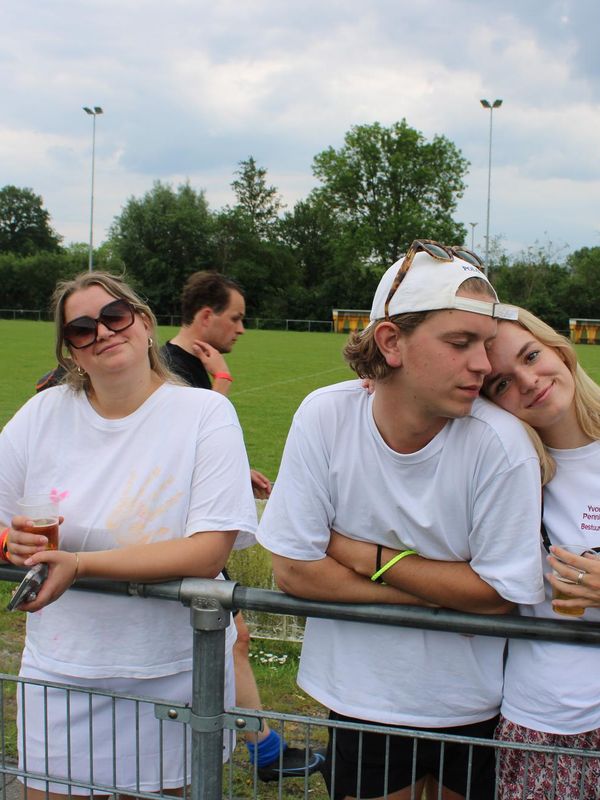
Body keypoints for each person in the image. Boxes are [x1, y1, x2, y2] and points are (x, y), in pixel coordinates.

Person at [256, 240, 545, 800]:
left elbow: (498, 594)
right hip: (358, 698)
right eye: (460, 343)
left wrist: (366, 557)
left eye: (486, 344)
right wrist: (443, 596)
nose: (484, 365)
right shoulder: (325, 416)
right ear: (391, 342)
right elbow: (294, 570)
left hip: (473, 704)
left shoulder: (500, 444)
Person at [0, 271, 258, 798]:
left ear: (144, 323)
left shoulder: (205, 413)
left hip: (173, 671)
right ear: (70, 351)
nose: (102, 332)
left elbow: (208, 552)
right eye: (81, 328)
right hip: (63, 669)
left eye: (114, 317)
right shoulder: (42, 415)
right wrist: (8, 543)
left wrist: (80, 565)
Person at [161, 270, 324, 781]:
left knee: (234, 636)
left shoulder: (185, 365)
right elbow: (178, 444)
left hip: (190, 530)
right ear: (206, 316)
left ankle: (262, 749)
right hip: (183, 536)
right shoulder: (170, 368)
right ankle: (253, 751)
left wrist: (236, 470)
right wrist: (223, 382)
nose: (242, 328)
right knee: (228, 636)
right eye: (235, 318)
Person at [479, 307, 600, 800]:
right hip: (547, 721)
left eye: (531, 356)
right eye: (501, 383)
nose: (528, 382)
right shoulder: (506, 469)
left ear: (560, 350)